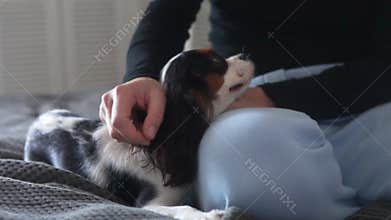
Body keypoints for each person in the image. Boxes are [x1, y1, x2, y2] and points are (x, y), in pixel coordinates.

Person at [99, 1, 391, 219]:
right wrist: (142, 76)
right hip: (246, 100)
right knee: (240, 149)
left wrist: (278, 96)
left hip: (370, 96)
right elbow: (166, 17)